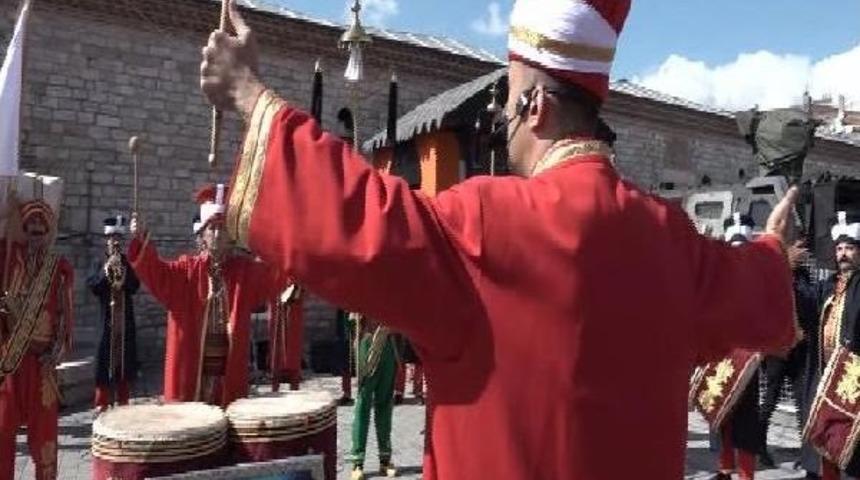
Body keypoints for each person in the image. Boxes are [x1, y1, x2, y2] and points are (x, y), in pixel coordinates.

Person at [200, 0, 799, 477]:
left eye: (506, 103)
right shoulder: (674, 239)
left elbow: (357, 219)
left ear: (534, 106)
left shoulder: (486, 220)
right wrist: (772, 247)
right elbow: (757, 291)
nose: (499, 121)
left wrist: (250, 98)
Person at [128, 184, 287, 406]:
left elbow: (275, 275)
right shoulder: (186, 272)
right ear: (201, 235)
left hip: (227, 371)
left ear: (231, 236)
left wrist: (285, 235)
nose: (217, 234)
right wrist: (141, 237)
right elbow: (156, 271)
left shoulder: (244, 271)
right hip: (193, 370)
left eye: (223, 229)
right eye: (211, 229)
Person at [0, 196, 74, 480]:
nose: (36, 232)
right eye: (30, 226)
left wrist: (55, 354)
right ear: (23, 229)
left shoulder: (59, 268)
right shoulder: (7, 258)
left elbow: (66, 318)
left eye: (41, 227)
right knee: (3, 432)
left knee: (44, 437)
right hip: (9, 360)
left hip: (41, 365)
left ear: (48, 233)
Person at [701, 214, 764, 480]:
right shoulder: (719, 277)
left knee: (745, 421)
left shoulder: (760, 280)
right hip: (722, 353)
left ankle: (746, 474)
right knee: (721, 413)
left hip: (749, 357)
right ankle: (725, 469)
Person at [801, 212, 860, 480]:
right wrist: (787, 270)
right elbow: (805, 302)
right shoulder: (829, 285)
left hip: (853, 380)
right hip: (827, 378)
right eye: (839, 248)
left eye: (849, 248)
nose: (843, 254)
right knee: (827, 440)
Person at [759, 238, 812, 468]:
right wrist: (787, 266)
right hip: (777, 348)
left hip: (800, 346)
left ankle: (807, 453)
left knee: (803, 401)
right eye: (797, 247)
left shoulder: (804, 276)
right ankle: (758, 445)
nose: (802, 252)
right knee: (770, 398)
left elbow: (810, 301)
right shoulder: (775, 272)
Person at [88, 215, 140, 412]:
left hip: (124, 324)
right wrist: (106, 270)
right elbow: (93, 286)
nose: (116, 241)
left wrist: (123, 271)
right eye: (112, 238)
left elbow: (135, 286)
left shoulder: (127, 262)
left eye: (119, 238)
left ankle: (123, 405)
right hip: (106, 324)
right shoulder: (98, 261)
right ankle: (101, 404)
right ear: (106, 240)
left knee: (124, 364)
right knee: (103, 364)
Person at [349, 313, 398, 480]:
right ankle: (357, 462)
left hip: (389, 341)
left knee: (385, 404)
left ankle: (385, 459)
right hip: (367, 339)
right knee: (363, 403)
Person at [268, 284, 304, 391]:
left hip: (294, 294)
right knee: (276, 336)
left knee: (293, 339)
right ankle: (276, 378)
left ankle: (293, 378)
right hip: (276, 291)